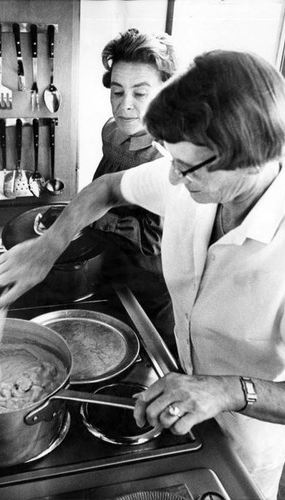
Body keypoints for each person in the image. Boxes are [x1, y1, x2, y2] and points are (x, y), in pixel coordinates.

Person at [0, 50, 285, 500]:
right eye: (168, 157)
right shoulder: (197, 176)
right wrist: (48, 245)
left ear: (249, 162)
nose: (172, 179)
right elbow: (109, 188)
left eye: (187, 167)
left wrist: (230, 391)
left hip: (247, 434)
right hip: (178, 386)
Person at [91, 28, 177, 353]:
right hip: (111, 266)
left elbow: (154, 241)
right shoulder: (111, 132)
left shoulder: (168, 157)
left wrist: (100, 220)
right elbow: (103, 180)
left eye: (140, 94)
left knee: (155, 356)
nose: (124, 106)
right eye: (116, 91)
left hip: (153, 287)